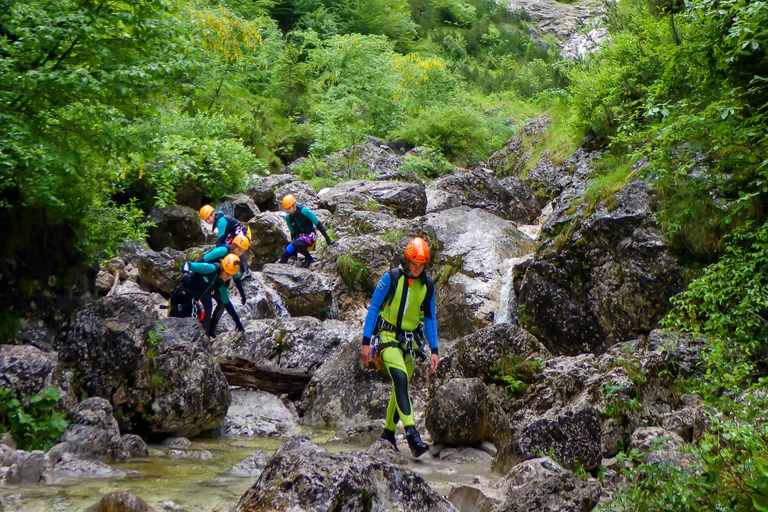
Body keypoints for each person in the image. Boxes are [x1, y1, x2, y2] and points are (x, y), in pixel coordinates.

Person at [360, 237, 439, 458]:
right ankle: (412, 435)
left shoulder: (428, 285)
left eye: (421, 265)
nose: (417, 268)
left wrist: (435, 350)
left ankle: (388, 434)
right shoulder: (391, 277)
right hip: (386, 338)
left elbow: (430, 318)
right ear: (407, 259)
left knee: (399, 388)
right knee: (401, 379)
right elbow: (374, 308)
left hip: (412, 344)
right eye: (414, 263)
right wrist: (366, 343)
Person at [180, 254, 245, 336]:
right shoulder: (211, 268)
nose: (228, 276)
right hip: (181, 297)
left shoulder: (221, 284)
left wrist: (237, 321)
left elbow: (227, 304)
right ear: (222, 267)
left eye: (231, 275)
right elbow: (188, 264)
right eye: (227, 273)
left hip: (192, 301)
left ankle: (207, 335)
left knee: (205, 317)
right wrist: (185, 274)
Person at [279, 194, 336, 268]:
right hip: (299, 239)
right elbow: (293, 234)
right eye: (286, 209)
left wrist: (328, 240)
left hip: (310, 235)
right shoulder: (288, 218)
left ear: (294, 205)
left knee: (296, 243)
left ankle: (308, 258)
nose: (288, 211)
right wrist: (294, 253)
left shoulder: (305, 211)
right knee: (284, 255)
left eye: (289, 208)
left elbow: (318, 224)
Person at [200, 205, 252, 277]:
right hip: (234, 233)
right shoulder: (219, 220)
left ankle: (246, 271)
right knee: (228, 247)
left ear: (213, 214)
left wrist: (216, 252)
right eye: (206, 220)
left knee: (238, 246)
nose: (208, 221)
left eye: (208, 218)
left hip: (241, 229)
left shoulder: (221, 221)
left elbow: (221, 237)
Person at [198, 234, 250, 306]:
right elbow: (204, 259)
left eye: (242, 252)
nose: (240, 253)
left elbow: (236, 277)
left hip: (215, 280)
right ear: (234, 246)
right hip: (205, 276)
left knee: (222, 303)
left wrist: (242, 294)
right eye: (239, 250)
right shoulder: (223, 250)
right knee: (208, 307)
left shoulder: (234, 259)